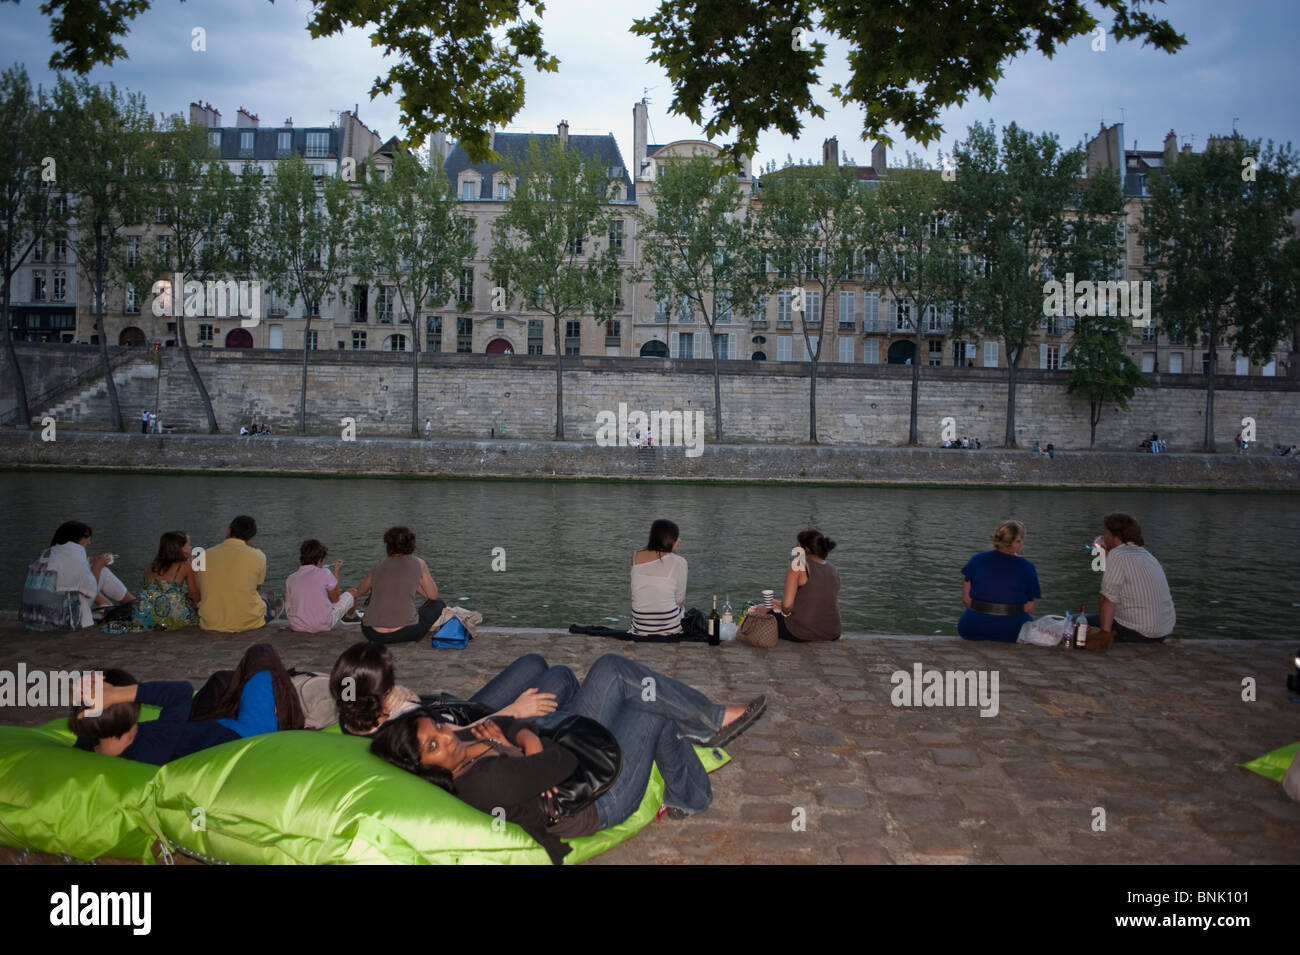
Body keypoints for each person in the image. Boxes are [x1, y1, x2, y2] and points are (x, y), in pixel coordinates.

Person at [370, 654, 767, 864]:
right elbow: (553, 762)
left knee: (610, 674)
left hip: (573, 756)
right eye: (435, 745)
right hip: (597, 799)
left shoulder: (460, 754)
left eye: (437, 730)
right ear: (423, 765)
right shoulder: (481, 782)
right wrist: (527, 745)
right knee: (649, 709)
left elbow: (514, 730)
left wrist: (520, 740)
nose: (447, 736)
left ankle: (693, 766)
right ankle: (703, 742)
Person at [69, 644, 302, 765]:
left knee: (221, 680)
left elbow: (84, 724)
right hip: (245, 736)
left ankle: (246, 691)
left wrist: (85, 698)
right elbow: (181, 692)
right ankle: (290, 713)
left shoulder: (91, 743)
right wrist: (118, 693)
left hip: (195, 731)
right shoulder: (155, 745)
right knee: (261, 653)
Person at [329, 642, 578, 737]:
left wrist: (401, 693)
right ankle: (569, 735)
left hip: (457, 710)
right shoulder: (402, 732)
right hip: (481, 728)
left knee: (532, 663)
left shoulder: (352, 713)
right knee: (561, 677)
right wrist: (515, 711)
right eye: (389, 684)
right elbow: (460, 737)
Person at [21, 521, 135, 631]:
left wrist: (92, 562)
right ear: (74, 538)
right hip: (60, 622)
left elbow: (71, 573)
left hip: (33, 619)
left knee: (87, 577)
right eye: (87, 537)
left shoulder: (50, 552)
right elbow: (90, 591)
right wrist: (97, 566)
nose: (89, 542)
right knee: (102, 572)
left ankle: (107, 604)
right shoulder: (74, 555)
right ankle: (133, 604)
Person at [1086, 512, 1176, 643]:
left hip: (1136, 632)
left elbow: (1107, 599)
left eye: (1105, 533)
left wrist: (1104, 635)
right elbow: (1117, 578)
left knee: (1072, 622)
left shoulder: (1117, 555)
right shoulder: (1147, 555)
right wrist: (1105, 553)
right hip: (1161, 632)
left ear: (1114, 536)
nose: (1103, 537)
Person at [356, 526, 446, 644]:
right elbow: (433, 596)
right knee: (438, 603)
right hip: (406, 632)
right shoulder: (419, 563)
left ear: (388, 545)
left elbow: (361, 590)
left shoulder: (379, 565)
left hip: (372, 633)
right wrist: (415, 582)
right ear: (411, 544)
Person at [750, 528, 841, 642]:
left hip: (802, 632)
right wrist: (780, 604)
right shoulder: (833, 569)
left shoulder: (798, 565)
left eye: (797, 545)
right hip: (833, 632)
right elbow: (816, 600)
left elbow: (787, 607)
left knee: (759, 609)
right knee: (773, 607)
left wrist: (771, 608)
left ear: (806, 549)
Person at [957, 520, 1041, 642]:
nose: (1021, 544)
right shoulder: (1027, 567)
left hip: (972, 627)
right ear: (1016, 543)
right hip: (1013, 631)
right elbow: (1029, 607)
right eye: (1020, 540)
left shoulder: (976, 560)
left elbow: (966, 600)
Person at [198, 515, 274, 632]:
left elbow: (200, 587)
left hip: (210, 622)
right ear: (250, 538)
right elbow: (257, 586)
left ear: (229, 530)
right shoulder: (259, 556)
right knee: (266, 602)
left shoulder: (204, 555)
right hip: (248, 621)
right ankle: (271, 612)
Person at [127, 531, 201, 630]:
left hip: (144, 614)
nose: (191, 548)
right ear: (181, 549)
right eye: (189, 545)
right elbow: (196, 596)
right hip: (169, 615)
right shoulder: (184, 566)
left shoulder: (152, 566)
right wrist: (195, 572)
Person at [285, 539, 364, 634]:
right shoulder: (325, 573)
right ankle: (350, 617)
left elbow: (289, 604)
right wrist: (336, 572)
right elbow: (335, 599)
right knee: (353, 592)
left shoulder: (290, 578)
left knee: (290, 600)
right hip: (323, 624)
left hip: (297, 626)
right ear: (320, 559)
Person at [630, 519, 688, 636]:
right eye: (676, 537)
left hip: (641, 626)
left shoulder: (635, 556)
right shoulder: (680, 562)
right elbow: (680, 600)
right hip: (671, 627)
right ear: (668, 539)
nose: (679, 540)